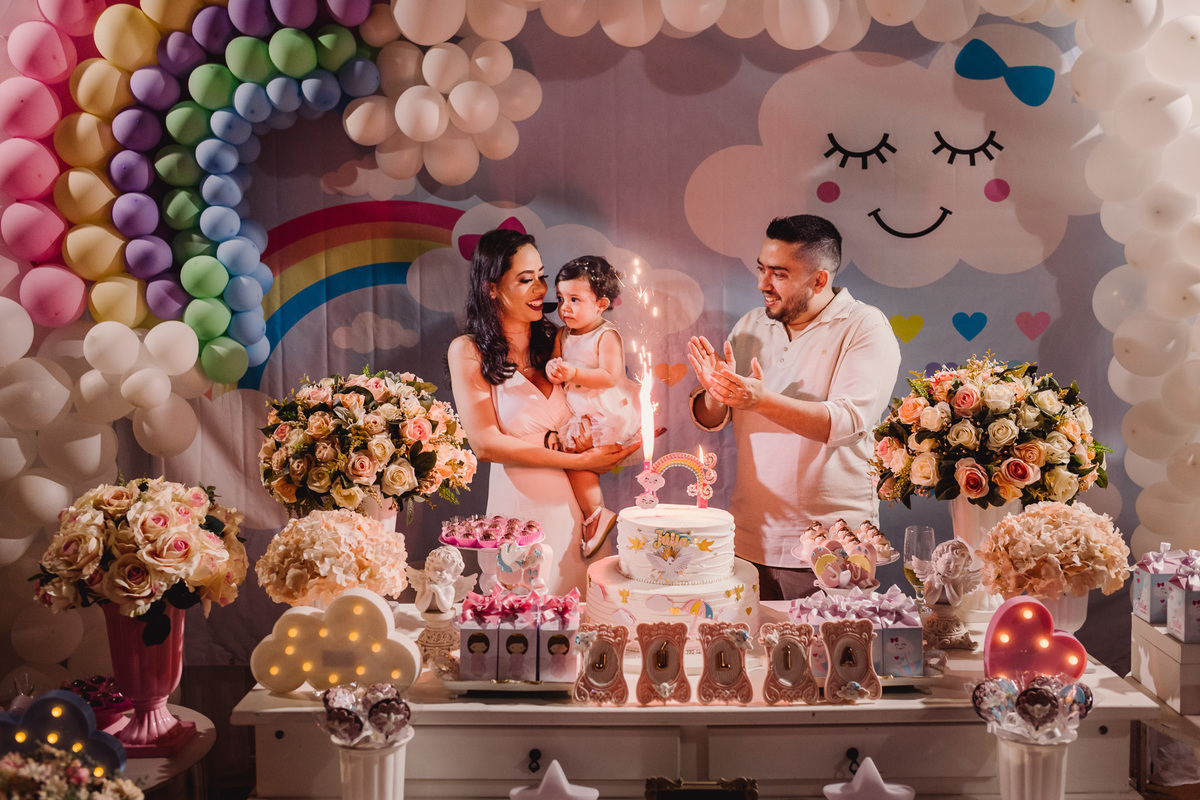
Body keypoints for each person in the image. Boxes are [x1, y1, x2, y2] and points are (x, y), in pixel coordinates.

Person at [687, 214, 901, 601]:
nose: (762, 284)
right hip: (749, 540)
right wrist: (717, 392)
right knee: (749, 659)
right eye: (761, 269)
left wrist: (760, 399)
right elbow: (712, 419)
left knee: (828, 660)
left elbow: (847, 422)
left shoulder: (865, 327)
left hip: (833, 549)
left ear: (819, 279)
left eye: (779, 274)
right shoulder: (751, 325)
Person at [448, 229, 640, 595]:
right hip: (521, 516)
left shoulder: (564, 340)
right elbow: (486, 444)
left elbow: (606, 404)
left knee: (589, 623)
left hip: (584, 519)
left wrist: (598, 448)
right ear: (491, 288)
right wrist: (580, 462)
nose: (540, 289)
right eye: (525, 280)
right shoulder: (469, 351)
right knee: (524, 633)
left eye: (541, 277)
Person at [545, 256, 640, 557]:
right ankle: (594, 513)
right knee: (575, 458)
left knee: (577, 455)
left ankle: (595, 514)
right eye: (561, 299)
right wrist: (553, 369)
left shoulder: (606, 335)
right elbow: (556, 362)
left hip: (604, 409)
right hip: (579, 407)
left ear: (601, 303)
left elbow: (610, 376)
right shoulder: (563, 334)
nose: (565, 308)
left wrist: (574, 373)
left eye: (575, 299)